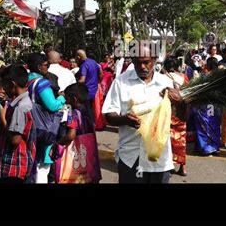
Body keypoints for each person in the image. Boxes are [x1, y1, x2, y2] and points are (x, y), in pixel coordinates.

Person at [102, 45, 182, 183]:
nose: (142, 66)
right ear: (132, 61)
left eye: (146, 62)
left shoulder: (166, 83)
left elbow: (183, 117)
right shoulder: (121, 82)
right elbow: (109, 115)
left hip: (159, 158)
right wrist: (125, 119)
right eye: (138, 62)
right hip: (131, 156)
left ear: (155, 60)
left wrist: (181, 102)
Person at [26, 53, 66, 183]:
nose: (47, 68)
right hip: (42, 127)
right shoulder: (42, 83)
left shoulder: (26, 80)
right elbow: (52, 106)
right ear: (39, 67)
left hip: (29, 123)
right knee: (42, 166)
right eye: (46, 65)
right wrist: (61, 97)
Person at [52, 83, 101, 183]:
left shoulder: (74, 113)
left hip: (75, 151)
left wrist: (57, 144)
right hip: (89, 148)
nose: (65, 101)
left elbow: (71, 135)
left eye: (67, 98)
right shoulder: (89, 111)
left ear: (74, 99)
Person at [0, 64, 37, 183]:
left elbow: (15, 139)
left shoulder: (20, 108)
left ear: (12, 84)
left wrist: (2, 118)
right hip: (21, 164)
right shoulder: (25, 102)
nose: (3, 89)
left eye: (4, 85)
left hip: (15, 166)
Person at [190, 57, 221, 156]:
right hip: (216, 106)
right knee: (214, 126)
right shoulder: (220, 78)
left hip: (204, 106)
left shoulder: (204, 77)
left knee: (203, 126)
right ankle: (214, 147)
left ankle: (204, 148)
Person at [163, 57, 188, 176]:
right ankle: (183, 167)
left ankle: (168, 165)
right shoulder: (183, 77)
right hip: (181, 112)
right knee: (181, 139)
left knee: (167, 140)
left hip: (167, 112)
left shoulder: (162, 77)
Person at [76, 49, 103, 126]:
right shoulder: (93, 62)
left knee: (87, 110)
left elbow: (82, 80)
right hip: (95, 89)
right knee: (92, 109)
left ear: (78, 57)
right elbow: (101, 72)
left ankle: (91, 126)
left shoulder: (84, 65)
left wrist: (74, 84)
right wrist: (98, 82)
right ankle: (94, 124)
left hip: (87, 91)